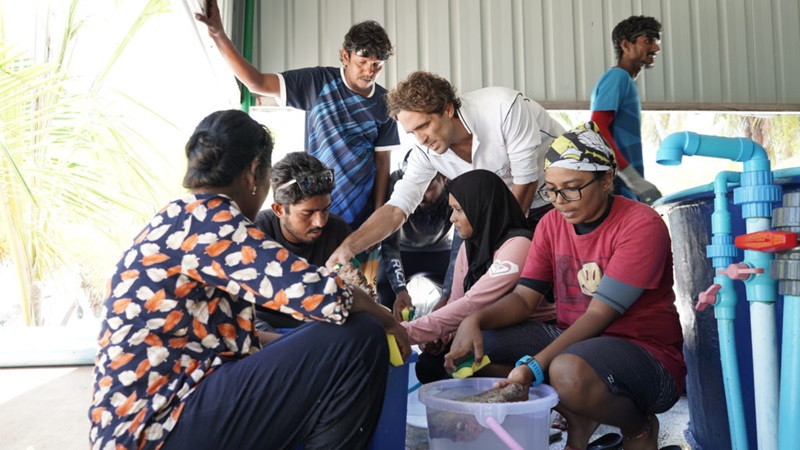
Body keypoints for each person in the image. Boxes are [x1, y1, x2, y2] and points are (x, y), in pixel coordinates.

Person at [88, 110, 410, 450]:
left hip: (138, 425)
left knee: (333, 337)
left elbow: (233, 340)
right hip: (158, 426)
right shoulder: (214, 219)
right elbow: (326, 294)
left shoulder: (175, 217)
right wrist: (388, 320)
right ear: (255, 172)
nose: (319, 221)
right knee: (360, 336)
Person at [444, 122, 686, 450]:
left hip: (646, 357)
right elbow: (524, 298)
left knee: (566, 371)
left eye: (571, 188)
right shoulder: (550, 224)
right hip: (576, 343)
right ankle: (578, 413)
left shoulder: (641, 224)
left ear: (606, 179)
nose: (559, 201)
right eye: (552, 190)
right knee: (475, 347)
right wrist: (474, 321)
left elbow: (600, 315)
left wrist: (532, 367)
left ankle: (637, 426)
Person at [327, 70, 566, 269]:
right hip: (508, 210)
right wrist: (349, 246)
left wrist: (497, 252)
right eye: (413, 133)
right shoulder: (426, 151)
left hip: (560, 199)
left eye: (424, 126)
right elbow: (396, 209)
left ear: (448, 110)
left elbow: (525, 181)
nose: (421, 140)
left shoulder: (503, 108)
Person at [195, 1, 400, 228]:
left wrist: (377, 217)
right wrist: (219, 35)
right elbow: (257, 82)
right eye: (362, 63)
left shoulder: (385, 103)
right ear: (345, 56)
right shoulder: (318, 83)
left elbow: (383, 163)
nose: (370, 71)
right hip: (315, 209)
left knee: (353, 265)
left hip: (361, 215)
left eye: (377, 65)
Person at [404, 169, 555, 383]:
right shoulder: (470, 247)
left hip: (538, 332)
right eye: (451, 209)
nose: (451, 218)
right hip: (486, 325)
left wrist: (406, 332)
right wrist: (442, 337)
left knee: (476, 346)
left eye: (458, 210)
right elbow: (457, 300)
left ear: (481, 209)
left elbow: (472, 303)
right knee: (430, 365)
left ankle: (544, 379)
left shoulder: (519, 244)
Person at [253, 152, 351, 330]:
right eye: (308, 213)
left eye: (325, 210)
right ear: (279, 210)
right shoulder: (255, 232)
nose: (320, 222)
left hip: (320, 323)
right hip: (266, 325)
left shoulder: (338, 230)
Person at [591, 15, 663, 204]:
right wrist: (633, 179)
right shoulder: (617, 77)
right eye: (648, 40)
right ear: (626, 45)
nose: (656, 48)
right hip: (619, 184)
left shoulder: (624, 81)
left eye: (656, 42)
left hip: (623, 185)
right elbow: (597, 126)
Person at [377, 155, 453, 315]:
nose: (419, 196)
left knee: (459, 296)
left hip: (440, 250)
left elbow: (463, 244)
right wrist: (400, 289)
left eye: (427, 188)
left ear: (443, 179)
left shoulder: (455, 182)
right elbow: (389, 243)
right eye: (414, 188)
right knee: (384, 299)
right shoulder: (397, 182)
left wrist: (446, 296)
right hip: (401, 251)